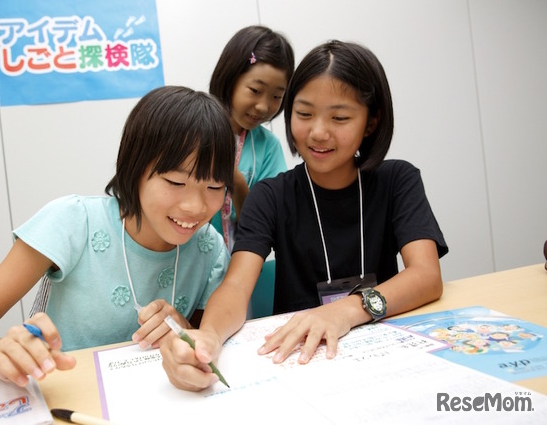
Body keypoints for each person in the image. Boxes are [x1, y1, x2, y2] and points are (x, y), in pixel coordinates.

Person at [160, 40, 449, 391]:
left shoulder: (397, 180)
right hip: (300, 365)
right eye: (304, 113)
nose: (318, 132)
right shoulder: (270, 196)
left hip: (385, 355)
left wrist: (345, 311)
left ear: (371, 122)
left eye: (339, 117)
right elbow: (236, 286)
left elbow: (426, 275)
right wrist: (208, 338)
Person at [0, 86, 235, 388]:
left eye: (214, 187)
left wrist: (182, 329)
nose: (196, 207)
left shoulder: (209, 248)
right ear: (133, 168)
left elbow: (202, 337)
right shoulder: (73, 221)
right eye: (175, 182)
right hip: (64, 395)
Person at [208, 25, 294, 250]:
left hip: (241, 266)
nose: (264, 106)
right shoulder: (194, 129)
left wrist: (236, 181)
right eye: (255, 90)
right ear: (230, 77)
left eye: (277, 96)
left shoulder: (268, 147)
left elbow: (263, 222)